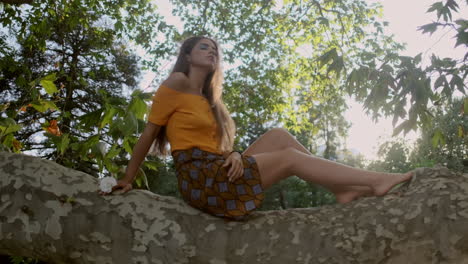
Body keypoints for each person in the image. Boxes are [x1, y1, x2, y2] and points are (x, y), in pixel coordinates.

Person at [99, 36, 413, 221]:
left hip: (217, 167)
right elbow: (149, 133)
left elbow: (215, 148)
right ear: (188, 55)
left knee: (279, 135)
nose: (212, 52)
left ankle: (341, 189)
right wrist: (128, 178)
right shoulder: (176, 83)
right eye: (205, 48)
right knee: (289, 157)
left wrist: (234, 153)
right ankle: (375, 181)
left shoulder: (212, 103)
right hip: (199, 177)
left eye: (215, 50)